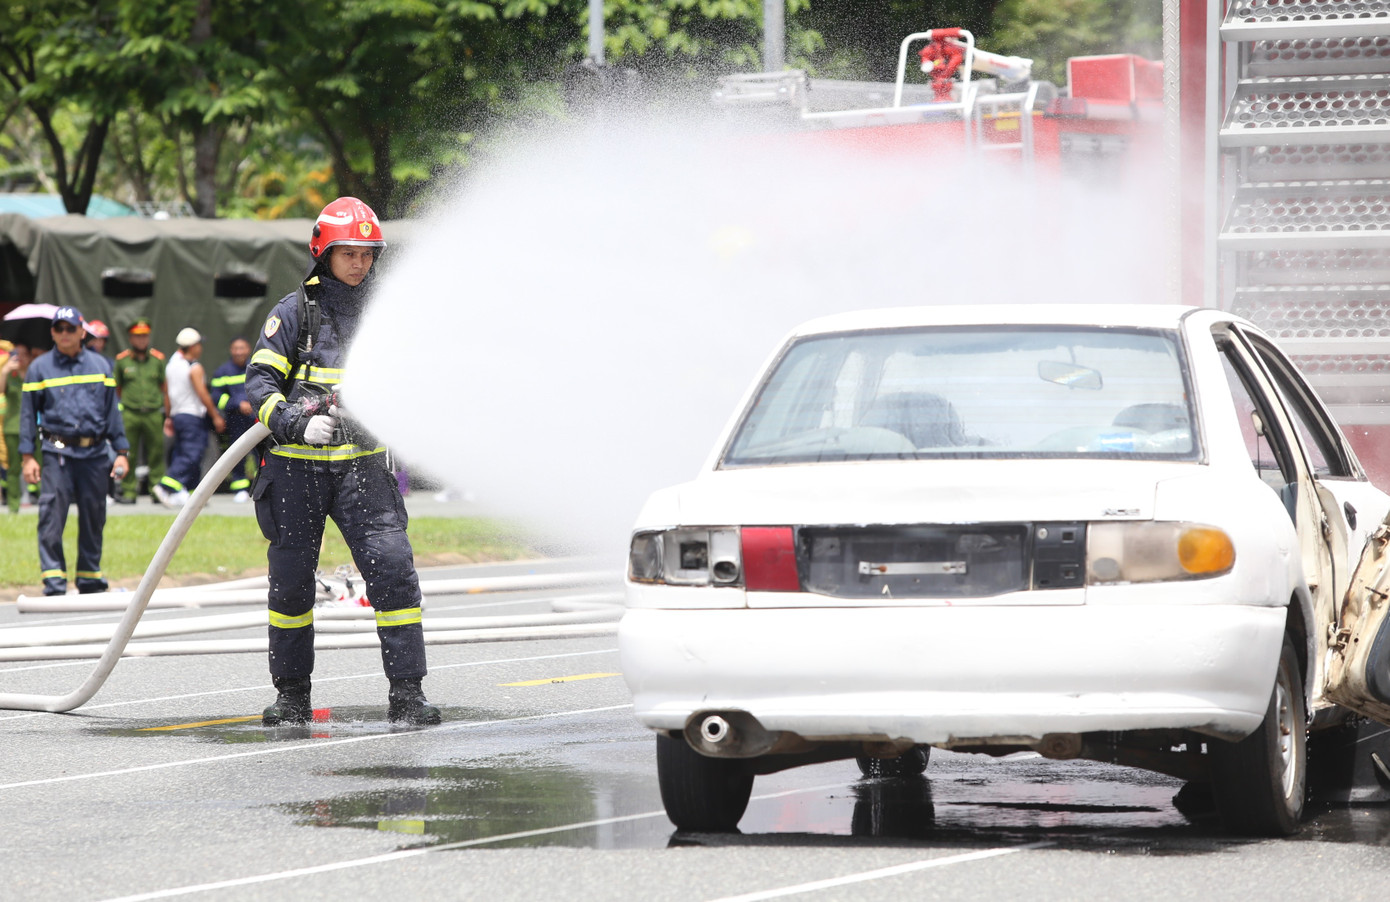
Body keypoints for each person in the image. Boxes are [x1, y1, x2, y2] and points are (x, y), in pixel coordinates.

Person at [245, 196, 440, 727]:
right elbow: (258, 384)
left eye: (368, 254)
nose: (360, 263)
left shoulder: (386, 314)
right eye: (348, 252)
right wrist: (295, 422)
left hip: (364, 469)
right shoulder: (293, 313)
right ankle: (291, 698)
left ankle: (407, 696)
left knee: (394, 574)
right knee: (290, 584)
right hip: (295, 470)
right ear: (323, 252)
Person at [18, 307, 129, 595]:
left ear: (82, 331)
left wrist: (121, 451)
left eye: (70, 328)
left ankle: (89, 577)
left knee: (95, 514)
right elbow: (28, 415)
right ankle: (54, 579)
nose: (64, 334)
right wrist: (28, 456)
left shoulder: (101, 366)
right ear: (53, 332)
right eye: (59, 329)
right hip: (57, 454)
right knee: (52, 514)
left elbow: (112, 413)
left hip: (94, 454)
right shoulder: (39, 368)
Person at [156, 327, 224, 508]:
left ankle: (186, 492)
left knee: (185, 451)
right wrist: (215, 416)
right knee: (191, 453)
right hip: (192, 416)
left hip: (178, 416)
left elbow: (167, 395)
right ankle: (166, 485)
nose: (201, 348)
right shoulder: (194, 368)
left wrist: (169, 417)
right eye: (198, 344)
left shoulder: (171, 365)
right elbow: (202, 394)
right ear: (192, 346)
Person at [114, 319, 169, 504]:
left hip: (153, 412)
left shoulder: (157, 359)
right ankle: (129, 491)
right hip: (130, 413)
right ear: (130, 338)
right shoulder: (122, 361)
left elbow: (164, 387)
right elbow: (117, 388)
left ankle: (156, 490)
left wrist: (167, 415)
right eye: (138, 337)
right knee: (128, 452)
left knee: (156, 452)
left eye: (144, 336)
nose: (141, 340)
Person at [210, 337, 256, 502]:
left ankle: (260, 488)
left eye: (242, 348)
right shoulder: (223, 371)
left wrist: (254, 404)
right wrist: (236, 403)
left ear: (248, 349)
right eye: (235, 348)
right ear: (231, 350)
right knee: (238, 453)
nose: (239, 352)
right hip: (236, 420)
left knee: (261, 453)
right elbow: (216, 396)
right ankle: (240, 488)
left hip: (257, 419)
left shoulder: (256, 368)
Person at [2, 340, 40, 512]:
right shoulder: (10, 375)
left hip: (36, 427)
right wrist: (4, 372)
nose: (22, 358)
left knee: (42, 464)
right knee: (13, 468)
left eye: (25, 354)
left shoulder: (37, 372)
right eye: (18, 354)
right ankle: (14, 506)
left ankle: (41, 501)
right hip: (13, 426)